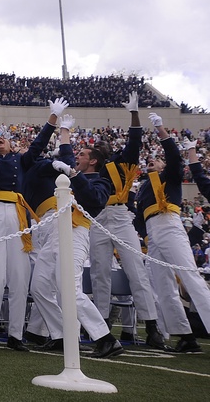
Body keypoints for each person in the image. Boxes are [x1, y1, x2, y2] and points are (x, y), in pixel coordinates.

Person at [0, 82, 66, 351]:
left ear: (11, 145)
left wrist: (52, 119)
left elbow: (38, 145)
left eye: (4, 138)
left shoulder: (21, 161)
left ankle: (15, 335)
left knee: (20, 278)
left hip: (19, 218)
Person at [27, 122, 124, 359]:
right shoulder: (72, 173)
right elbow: (66, 155)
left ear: (92, 162)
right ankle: (62, 336)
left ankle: (105, 338)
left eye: (82, 155)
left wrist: (73, 175)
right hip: (53, 234)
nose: (75, 157)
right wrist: (64, 133)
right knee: (39, 287)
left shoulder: (101, 181)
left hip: (75, 233)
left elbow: (94, 199)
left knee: (69, 289)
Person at [89, 92, 163, 348]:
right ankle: (101, 327)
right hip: (97, 219)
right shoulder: (89, 168)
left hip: (120, 215)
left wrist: (134, 113)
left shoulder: (121, 162)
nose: (101, 144)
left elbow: (134, 141)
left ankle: (152, 326)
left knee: (136, 270)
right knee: (99, 274)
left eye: (104, 143)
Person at [136, 115, 210, 354]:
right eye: (148, 160)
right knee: (163, 286)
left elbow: (174, 158)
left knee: (190, 277)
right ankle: (186, 336)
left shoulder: (171, 176)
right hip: (153, 232)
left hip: (169, 224)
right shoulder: (144, 187)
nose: (150, 161)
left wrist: (160, 128)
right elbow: (139, 218)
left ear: (163, 166)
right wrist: (146, 238)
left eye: (155, 161)